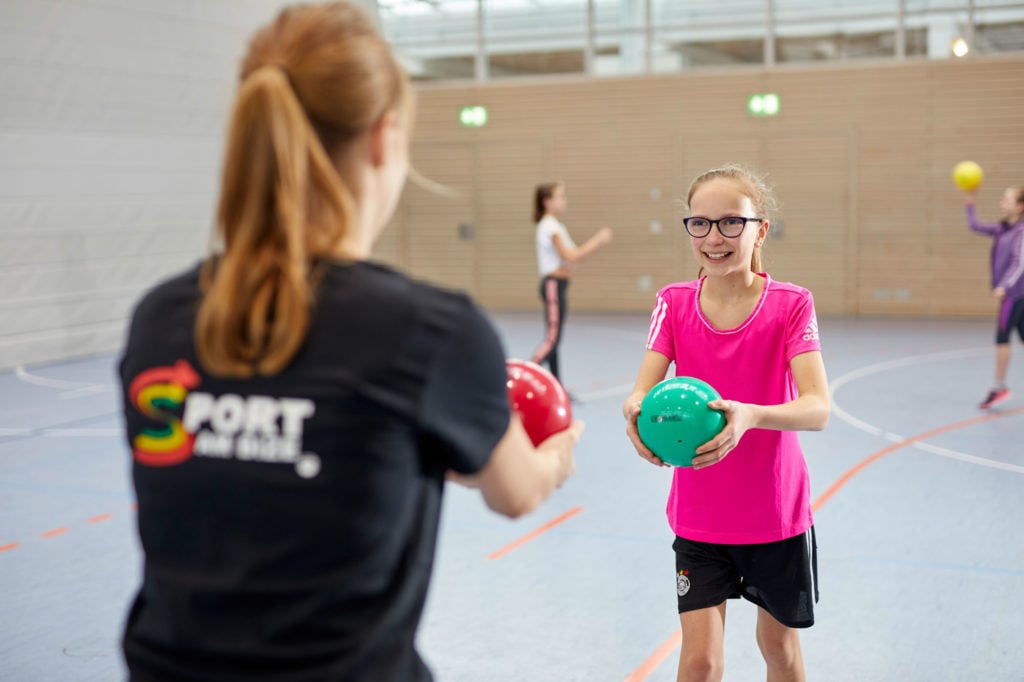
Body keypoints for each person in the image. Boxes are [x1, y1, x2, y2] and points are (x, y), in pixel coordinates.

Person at [117, 4, 581, 681]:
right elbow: (517, 493)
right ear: (383, 138)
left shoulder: (158, 319)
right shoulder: (429, 331)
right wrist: (560, 451)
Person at [622, 165, 830, 682]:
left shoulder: (791, 304)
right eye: (700, 223)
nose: (714, 238)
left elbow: (818, 407)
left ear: (760, 229)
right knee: (700, 661)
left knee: (778, 650)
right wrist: (636, 416)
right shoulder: (671, 304)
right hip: (699, 513)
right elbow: (641, 390)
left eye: (731, 223)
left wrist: (750, 416)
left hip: (774, 515)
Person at [530, 181, 613, 385]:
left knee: (555, 339)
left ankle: (556, 388)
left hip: (559, 285)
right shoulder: (550, 226)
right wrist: (598, 240)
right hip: (553, 285)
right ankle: (526, 374)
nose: (564, 201)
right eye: (560, 196)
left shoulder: (557, 226)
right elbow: (571, 255)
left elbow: (574, 255)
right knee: (552, 340)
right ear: (547, 202)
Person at [965, 185, 1024, 409]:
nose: (1003, 203)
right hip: (1015, 294)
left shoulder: (1021, 232)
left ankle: (999, 388)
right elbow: (975, 226)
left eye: (1007, 200)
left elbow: (1020, 262)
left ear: (1020, 206)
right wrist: (969, 202)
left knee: (1002, 339)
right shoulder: (1002, 228)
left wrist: (1004, 286)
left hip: (1013, 295)